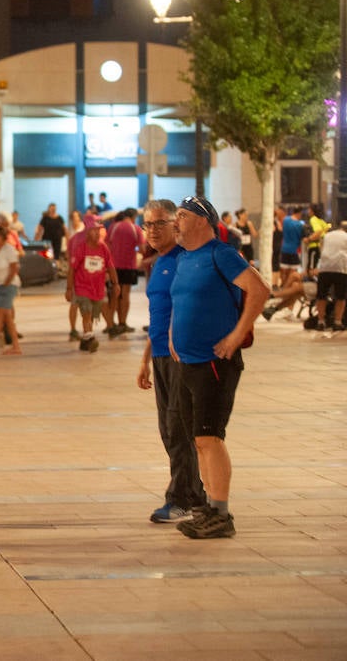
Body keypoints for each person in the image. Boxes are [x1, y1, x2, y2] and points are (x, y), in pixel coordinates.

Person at [169, 195, 268, 539]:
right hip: (188, 362)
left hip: (215, 362)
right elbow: (179, 302)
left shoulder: (220, 255)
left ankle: (221, 515)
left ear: (201, 221)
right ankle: (209, 510)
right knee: (198, 440)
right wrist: (171, 337)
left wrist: (237, 335)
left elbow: (259, 290)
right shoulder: (184, 259)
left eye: (181, 215)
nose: (175, 221)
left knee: (210, 437)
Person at [134, 200, 206, 524]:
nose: (151, 230)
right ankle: (194, 495)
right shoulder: (159, 263)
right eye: (147, 224)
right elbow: (158, 317)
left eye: (158, 223)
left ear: (175, 225)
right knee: (169, 429)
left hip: (180, 357)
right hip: (161, 355)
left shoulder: (182, 261)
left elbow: (187, 308)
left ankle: (180, 499)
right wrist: (145, 359)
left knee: (178, 429)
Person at [67, 214, 118, 352]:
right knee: (86, 313)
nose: (97, 233)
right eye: (94, 230)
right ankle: (90, 338)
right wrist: (69, 288)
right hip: (82, 287)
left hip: (98, 288)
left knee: (96, 310)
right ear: (88, 232)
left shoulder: (103, 248)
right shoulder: (80, 247)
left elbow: (111, 266)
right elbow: (72, 268)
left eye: (99, 230)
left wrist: (116, 283)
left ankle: (85, 340)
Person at [314, 219, 347, 337]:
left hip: (324, 268)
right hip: (341, 269)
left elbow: (321, 249)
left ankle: (320, 321)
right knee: (341, 297)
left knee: (321, 296)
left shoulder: (327, 236)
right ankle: (337, 322)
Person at [107, 208, 144, 337]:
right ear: (133, 217)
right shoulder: (136, 228)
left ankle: (111, 324)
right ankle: (123, 323)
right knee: (125, 295)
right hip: (129, 265)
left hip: (114, 266)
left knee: (114, 295)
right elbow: (142, 249)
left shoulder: (113, 227)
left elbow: (107, 245)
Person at [0, 226, 21, 355]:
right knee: (7, 317)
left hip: (9, 285)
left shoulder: (9, 249)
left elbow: (14, 268)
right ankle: (16, 345)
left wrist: (6, 284)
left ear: (1, 237)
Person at [279, 206, 306, 285]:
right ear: (300, 213)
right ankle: (289, 288)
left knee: (284, 270)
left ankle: (283, 286)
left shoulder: (286, 220)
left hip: (284, 248)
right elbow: (302, 237)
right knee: (293, 272)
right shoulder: (300, 224)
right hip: (295, 250)